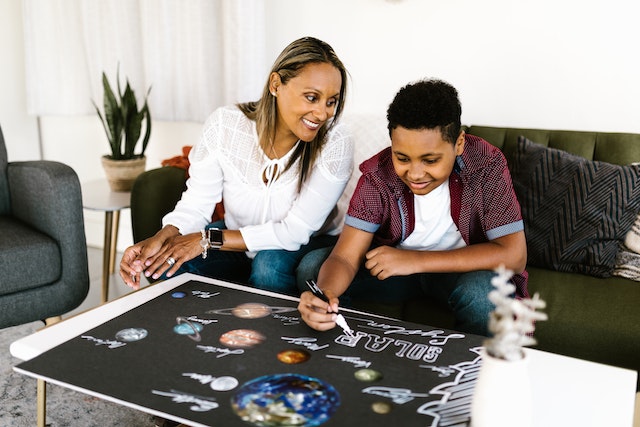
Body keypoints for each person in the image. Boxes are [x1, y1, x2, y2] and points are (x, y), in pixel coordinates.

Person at [119, 36, 354, 296]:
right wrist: (162, 237)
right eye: (312, 98)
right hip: (237, 236)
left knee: (268, 267)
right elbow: (197, 203)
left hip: (306, 241)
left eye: (331, 101)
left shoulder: (336, 141)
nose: (322, 113)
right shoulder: (226, 124)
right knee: (165, 262)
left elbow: (294, 232)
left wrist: (206, 240)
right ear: (276, 84)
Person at [297, 78, 528, 336]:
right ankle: (346, 347)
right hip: (397, 274)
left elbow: (514, 256)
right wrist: (326, 295)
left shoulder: (486, 165)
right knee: (314, 267)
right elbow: (344, 257)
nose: (415, 173)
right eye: (402, 158)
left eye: (430, 160)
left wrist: (415, 260)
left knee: (485, 293)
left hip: (460, 274)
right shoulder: (378, 176)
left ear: (459, 143)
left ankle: (473, 371)